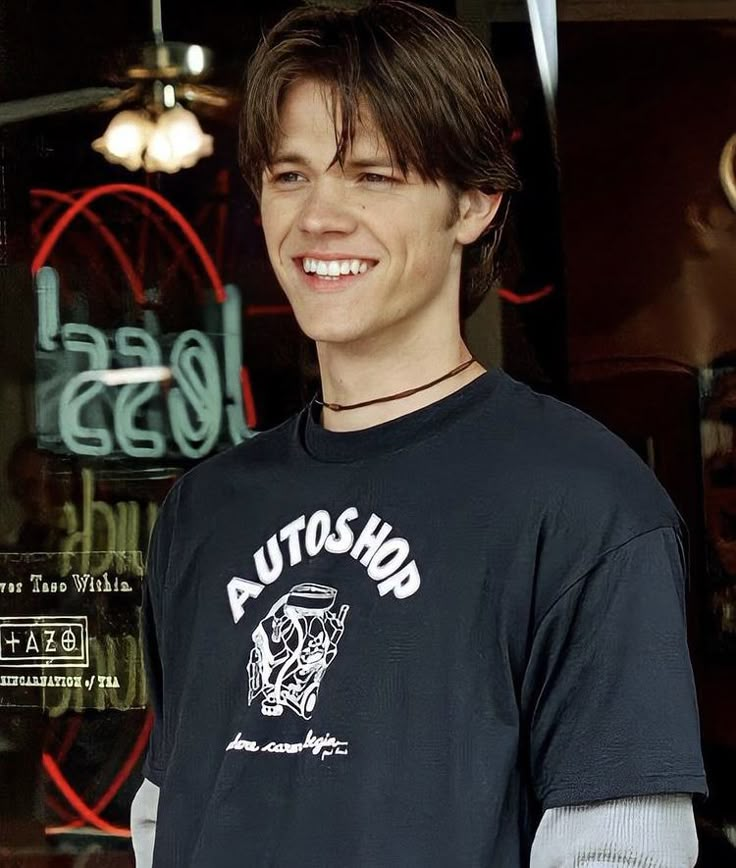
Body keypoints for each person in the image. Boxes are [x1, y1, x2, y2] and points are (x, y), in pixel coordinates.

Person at [131, 3, 707, 865]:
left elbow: (623, 851)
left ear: (474, 203)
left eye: (374, 175)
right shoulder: (204, 511)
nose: (318, 217)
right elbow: (163, 815)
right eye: (291, 176)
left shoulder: (587, 504)